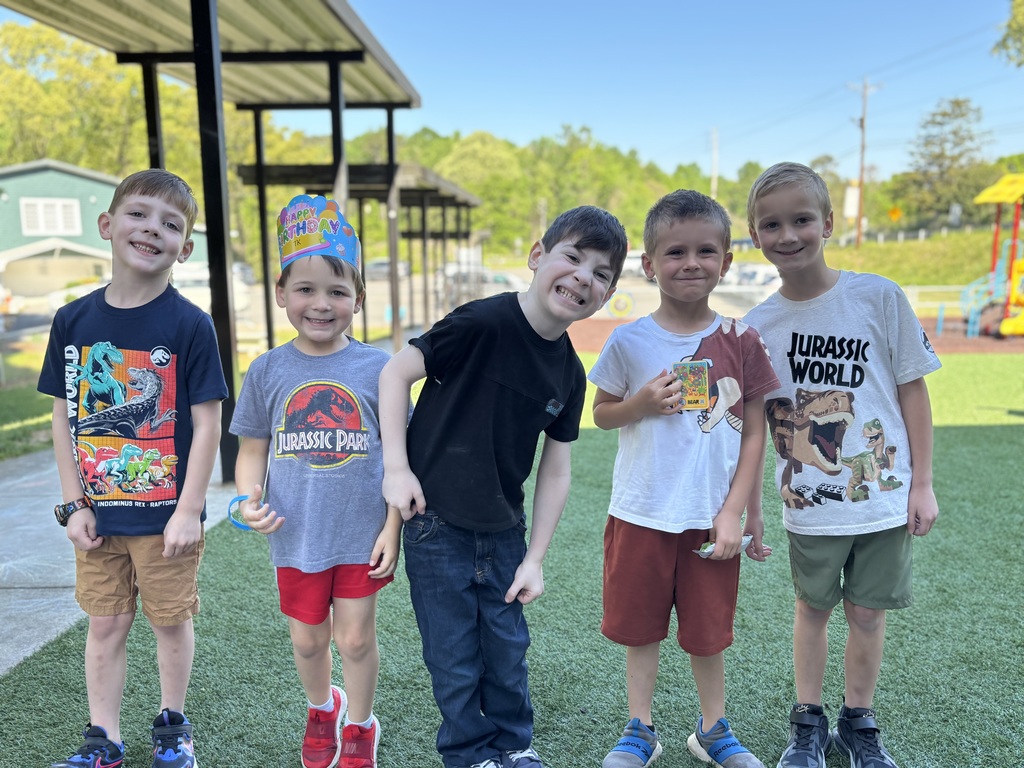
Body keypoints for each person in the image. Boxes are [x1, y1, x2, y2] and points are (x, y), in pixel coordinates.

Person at [378, 205, 628, 768]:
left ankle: (515, 747)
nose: (583, 277)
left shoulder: (569, 372)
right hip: (434, 524)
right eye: (572, 257)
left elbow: (556, 469)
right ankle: (469, 754)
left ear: (608, 294)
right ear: (537, 257)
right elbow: (395, 374)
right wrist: (398, 468)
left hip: (505, 534)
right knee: (453, 657)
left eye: (601, 272)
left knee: (508, 652)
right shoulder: (481, 322)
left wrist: (535, 557)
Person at [742, 162, 941, 768]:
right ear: (755, 236)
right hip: (811, 502)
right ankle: (807, 724)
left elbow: (912, 390)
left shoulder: (877, 296)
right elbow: (753, 425)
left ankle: (859, 722)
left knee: (868, 613)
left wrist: (923, 483)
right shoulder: (757, 326)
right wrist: (750, 508)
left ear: (827, 223)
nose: (788, 234)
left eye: (802, 219)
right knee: (813, 610)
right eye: (771, 224)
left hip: (881, 495)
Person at [38, 169, 228, 768]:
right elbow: (65, 420)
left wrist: (190, 511)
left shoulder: (190, 324)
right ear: (108, 225)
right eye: (139, 215)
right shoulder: (73, 321)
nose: (152, 230)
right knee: (106, 627)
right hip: (98, 520)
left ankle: (172, 725)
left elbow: (207, 423)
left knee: (169, 625)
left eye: (170, 224)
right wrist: (75, 504)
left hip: (165, 521)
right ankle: (104, 737)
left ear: (185, 247)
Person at [589, 190, 779, 768]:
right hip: (641, 511)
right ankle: (640, 729)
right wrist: (641, 404)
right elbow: (601, 413)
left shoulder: (742, 339)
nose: (690, 263)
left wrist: (737, 511)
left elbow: (753, 432)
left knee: (707, 633)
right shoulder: (629, 339)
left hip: (709, 516)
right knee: (640, 629)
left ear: (725, 260)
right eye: (675, 252)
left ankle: (713, 729)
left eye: (705, 251)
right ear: (649, 265)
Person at [230, 195, 400, 768]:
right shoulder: (268, 369)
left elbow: (401, 459)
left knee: (353, 639)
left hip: (361, 532)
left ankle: (359, 724)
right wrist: (248, 498)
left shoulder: (380, 368)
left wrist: (393, 525)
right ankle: (323, 706)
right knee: (308, 641)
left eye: (337, 291)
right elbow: (252, 449)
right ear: (281, 295)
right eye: (304, 289)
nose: (320, 304)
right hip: (295, 534)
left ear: (357, 297)